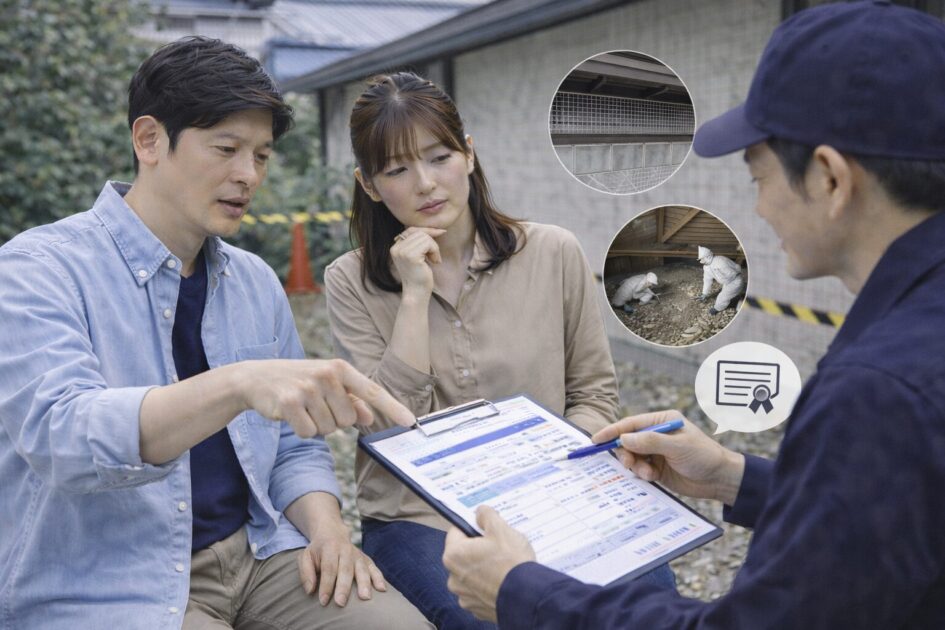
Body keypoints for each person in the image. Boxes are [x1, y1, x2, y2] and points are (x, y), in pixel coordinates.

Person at [442, 1, 945, 627]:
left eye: (757, 177)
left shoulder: (878, 392)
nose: (757, 209)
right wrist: (733, 477)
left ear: (830, 180)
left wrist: (521, 590)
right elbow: (888, 521)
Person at [0, 36, 432, 630]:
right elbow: (62, 435)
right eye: (226, 148)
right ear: (149, 140)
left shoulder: (252, 279)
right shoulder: (39, 268)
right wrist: (236, 384)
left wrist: (330, 530)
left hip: (261, 551)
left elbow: (294, 445)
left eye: (261, 155)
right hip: (111, 577)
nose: (247, 175)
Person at [323, 72, 676, 629]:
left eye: (439, 156)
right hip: (419, 519)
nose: (424, 184)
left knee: (648, 597)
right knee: (497, 618)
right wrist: (414, 295)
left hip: (553, 496)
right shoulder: (350, 281)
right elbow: (384, 428)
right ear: (368, 185)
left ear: (468, 152)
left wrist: (556, 483)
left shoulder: (552, 251)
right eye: (396, 169)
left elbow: (593, 392)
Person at [695, 245, 743, 314]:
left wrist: (728, 287)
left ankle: (717, 309)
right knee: (727, 293)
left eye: (702, 259)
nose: (701, 261)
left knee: (722, 297)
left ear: (708, 257)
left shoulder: (721, 261)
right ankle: (736, 295)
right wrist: (704, 293)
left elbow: (733, 274)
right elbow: (707, 280)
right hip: (728, 282)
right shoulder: (707, 267)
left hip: (735, 281)